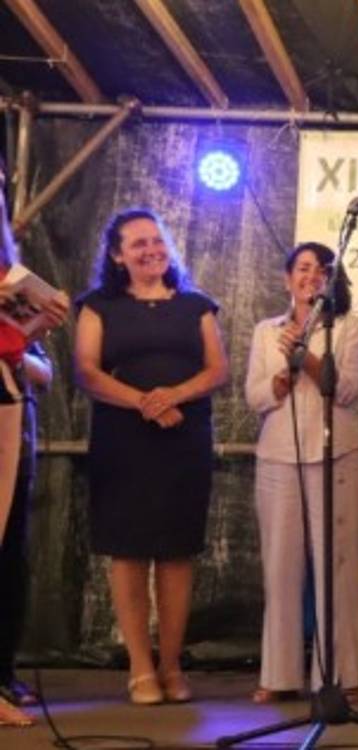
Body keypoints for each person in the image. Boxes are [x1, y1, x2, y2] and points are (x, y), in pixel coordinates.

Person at [73, 209, 228, 705]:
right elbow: (87, 372)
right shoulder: (98, 306)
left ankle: (171, 665)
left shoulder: (197, 305)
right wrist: (144, 402)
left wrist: (172, 396)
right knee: (129, 551)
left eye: (156, 241)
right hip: (123, 440)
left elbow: (217, 370)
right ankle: (140, 667)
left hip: (184, 437)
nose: (151, 250)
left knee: (177, 551)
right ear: (117, 255)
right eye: (138, 244)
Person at [244, 242, 358, 704]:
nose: (311, 277)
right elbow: (254, 395)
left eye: (320, 270)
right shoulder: (266, 331)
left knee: (339, 566)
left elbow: (349, 390)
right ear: (287, 278)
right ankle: (279, 675)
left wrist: (308, 359)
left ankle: (342, 674)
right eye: (302, 268)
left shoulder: (347, 328)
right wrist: (279, 381)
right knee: (280, 567)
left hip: (336, 455)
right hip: (278, 456)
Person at [0, 160, 67, 728]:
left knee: (10, 551)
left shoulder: (8, 268)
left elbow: (23, 356)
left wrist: (39, 322)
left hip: (12, 408)